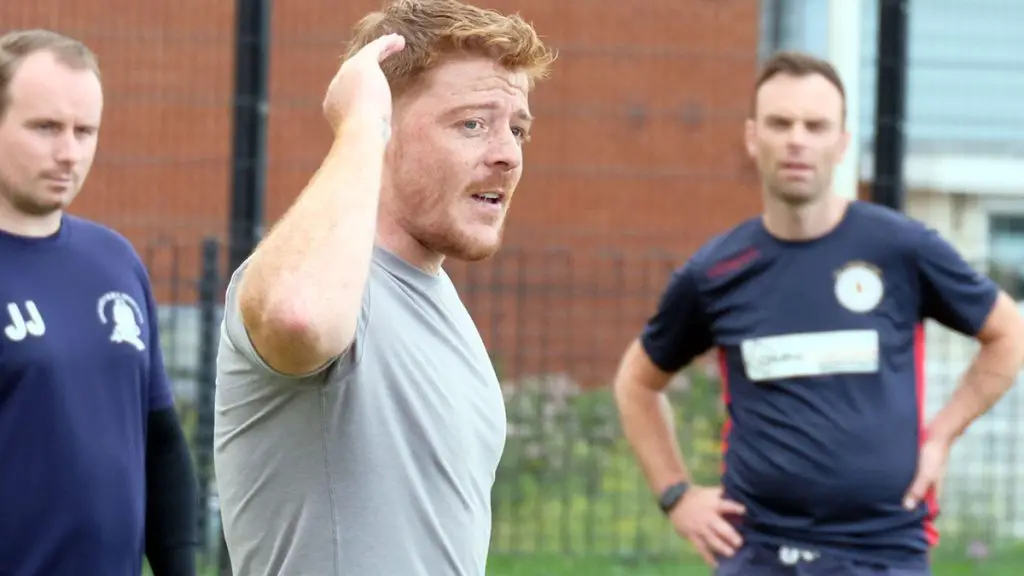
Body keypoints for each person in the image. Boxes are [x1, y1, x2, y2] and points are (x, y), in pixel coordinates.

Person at [612, 50, 1024, 576]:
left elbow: (1008, 334)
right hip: (758, 551)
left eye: (816, 125)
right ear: (752, 137)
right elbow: (636, 384)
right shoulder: (715, 273)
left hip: (884, 551)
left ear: (842, 142)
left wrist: (942, 435)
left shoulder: (901, 249)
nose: (797, 140)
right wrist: (677, 495)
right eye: (780, 123)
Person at [211, 1, 555, 574]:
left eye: (517, 129)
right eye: (473, 123)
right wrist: (359, 125)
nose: (507, 154)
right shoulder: (321, 287)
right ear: (384, 129)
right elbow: (298, 316)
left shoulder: (441, 301)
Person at [0, 29, 198, 576]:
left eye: (84, 131)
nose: (69, 153)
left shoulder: (114, 261)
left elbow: (161, 444)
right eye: (45, 128)